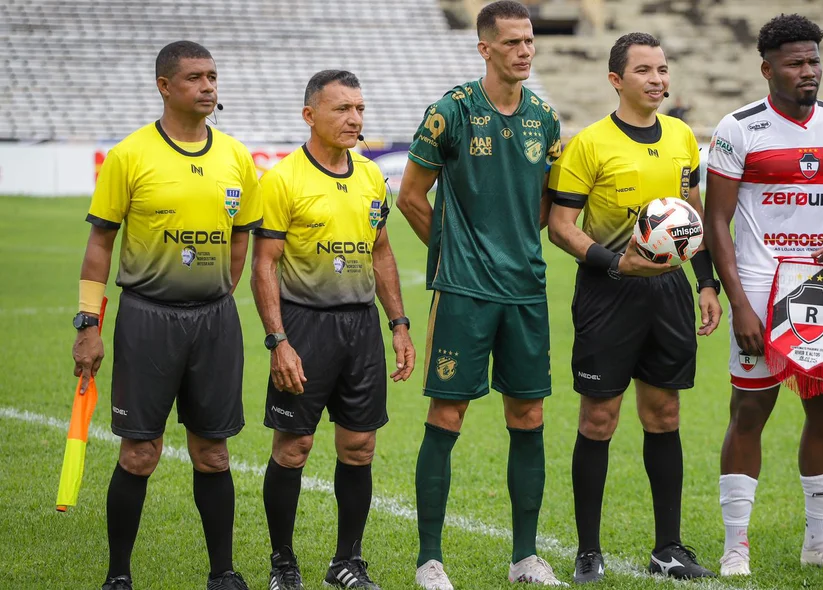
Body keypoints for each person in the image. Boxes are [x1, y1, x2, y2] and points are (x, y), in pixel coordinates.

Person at [71, 40, 261, 590]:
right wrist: (89, 324)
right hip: (147, 318)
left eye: (213, 76)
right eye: (196, 77)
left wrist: (224, 288)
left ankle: (223, 573)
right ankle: (118, 575)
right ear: (164, 86)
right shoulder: (130, 155)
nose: (208, 86)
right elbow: (99, 245)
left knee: (214, 453)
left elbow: (241, 232)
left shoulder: (235, 156)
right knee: (140, 453)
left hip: (214, 322)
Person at [395, 1, 564, 587]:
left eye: (530, 41)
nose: (524, 50)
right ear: (484, 48)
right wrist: (454, 252)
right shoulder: (451, 112)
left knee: (530, 413)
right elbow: (412, 197)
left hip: (525, 290)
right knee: (448, 413)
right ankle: (429, 560)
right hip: (464, 291)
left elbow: (545, 204)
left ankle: (524, 557)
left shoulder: (546, 118)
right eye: (513, 41)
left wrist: (510, 242)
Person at [703, 14, 823, 576]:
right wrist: (740, 304)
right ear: (767, 68)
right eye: (796, 63)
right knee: (750, 407)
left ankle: (820, 543)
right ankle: (736, 545)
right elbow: (717, 221)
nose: (809, 72)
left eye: (814, 61)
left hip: (821, 288)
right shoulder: (739, 128)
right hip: (758, 283)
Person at [546, 32, 721, 583]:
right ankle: (588, 550)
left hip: (668, 292)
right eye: (644, 70)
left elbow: (691, 215)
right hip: (608, 290)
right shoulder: (589, 144)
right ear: (616, 80)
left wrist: (707, 283)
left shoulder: (683, 137)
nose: (658, 79)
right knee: (599, 418)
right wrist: (615, 262)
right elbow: (560, 226)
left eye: (663, 69)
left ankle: (668, 547)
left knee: (664, 414)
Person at [251, 70, 416, 590]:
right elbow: (264, 265)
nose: (354, 119)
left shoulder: (370, 176)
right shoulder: (282, 179)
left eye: (359, 109)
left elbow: (382, 251)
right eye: (342, 109)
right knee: (293, 448)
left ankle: (348, 561)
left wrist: (399, 324)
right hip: (304, 325)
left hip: (361, 326)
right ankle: (283, 563)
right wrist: (278, 342)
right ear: (310, 115)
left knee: (359, 447)